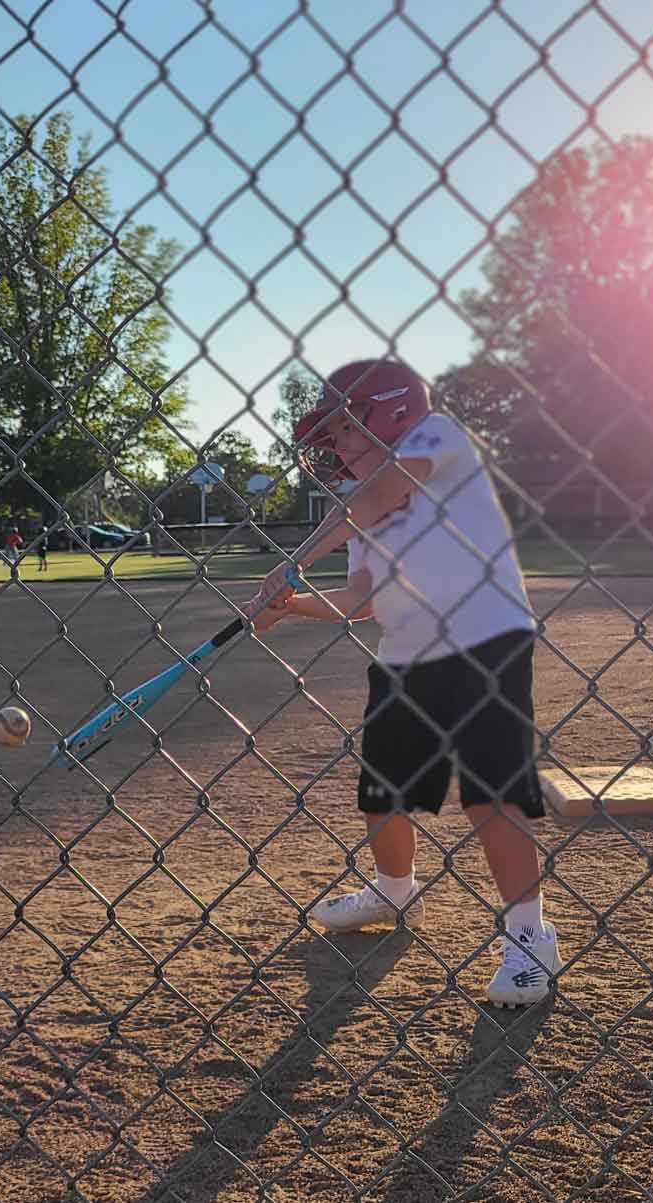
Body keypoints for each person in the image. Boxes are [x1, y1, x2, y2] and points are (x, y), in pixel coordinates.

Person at [242, 360, 561, 1008]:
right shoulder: (365, 518)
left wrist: (289, 563)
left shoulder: (436, 436)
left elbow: (382, 493)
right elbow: (360, 599)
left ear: (388, 411)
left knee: (490, 791)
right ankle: (394, 889)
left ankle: (531, 937)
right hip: (405, 655)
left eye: (344, 429)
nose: (334, 446)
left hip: (486, 639)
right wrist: (290, 604)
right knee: (381, 788)